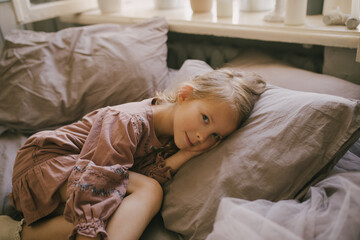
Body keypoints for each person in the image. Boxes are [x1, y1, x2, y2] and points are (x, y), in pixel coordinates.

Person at [0, 68, 266, 240]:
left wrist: (188, 154)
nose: (201, 137)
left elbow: (132, 179)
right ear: (185, 95)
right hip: (47, 160)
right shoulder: (128, 120)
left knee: (124, 208)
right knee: (146, 192)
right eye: (205, 119)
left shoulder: (174, 136)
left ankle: (17, 232)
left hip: (82, 176)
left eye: (215, 136)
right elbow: (97, 178)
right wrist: (88, 232)